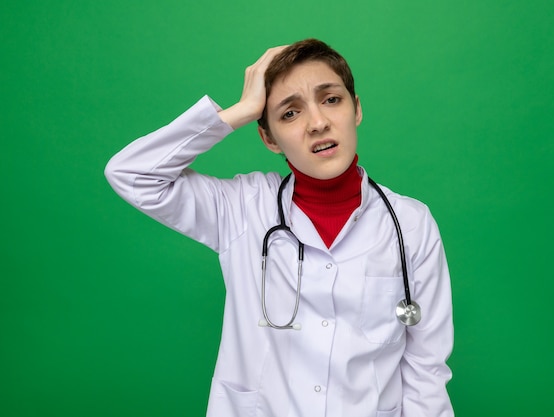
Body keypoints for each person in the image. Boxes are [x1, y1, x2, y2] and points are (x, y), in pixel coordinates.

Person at [105, 38, 454, 417]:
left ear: (357, 109)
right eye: (290, 113)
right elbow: (131, 174)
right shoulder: (240, 208)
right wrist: (239, 111)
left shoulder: (411, 224)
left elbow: (425, 372)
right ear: (268, 137)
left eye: (331, 99)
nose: (318, 122)